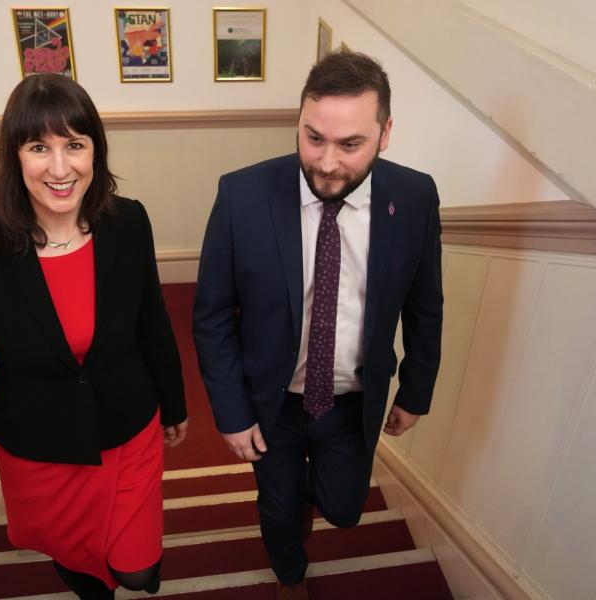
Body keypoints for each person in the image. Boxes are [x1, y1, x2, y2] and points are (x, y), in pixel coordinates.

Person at [193, 51, 442, 600]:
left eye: (350, 144)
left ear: (386, 133)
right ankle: (289, 575)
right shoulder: (242, 195)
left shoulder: (416, 197)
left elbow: (425, 305)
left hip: (353, 400)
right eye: (313, 138)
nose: (327, 162)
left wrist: (415, 391)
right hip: (275, 402)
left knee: (345, 510)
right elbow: (211, 314)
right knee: (278, 508)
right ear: (300, 122)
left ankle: (309, 495)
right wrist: (232, 413)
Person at [0, 73, 188, 599]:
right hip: (42, 449)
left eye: (74, 144)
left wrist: (175, 404)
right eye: (38, 147)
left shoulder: (128, 221)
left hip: (128, 427)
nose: (59, 167)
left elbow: (152, 322)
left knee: (141, 573)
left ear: (95, 149)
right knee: (83, 569)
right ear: (14, 157)